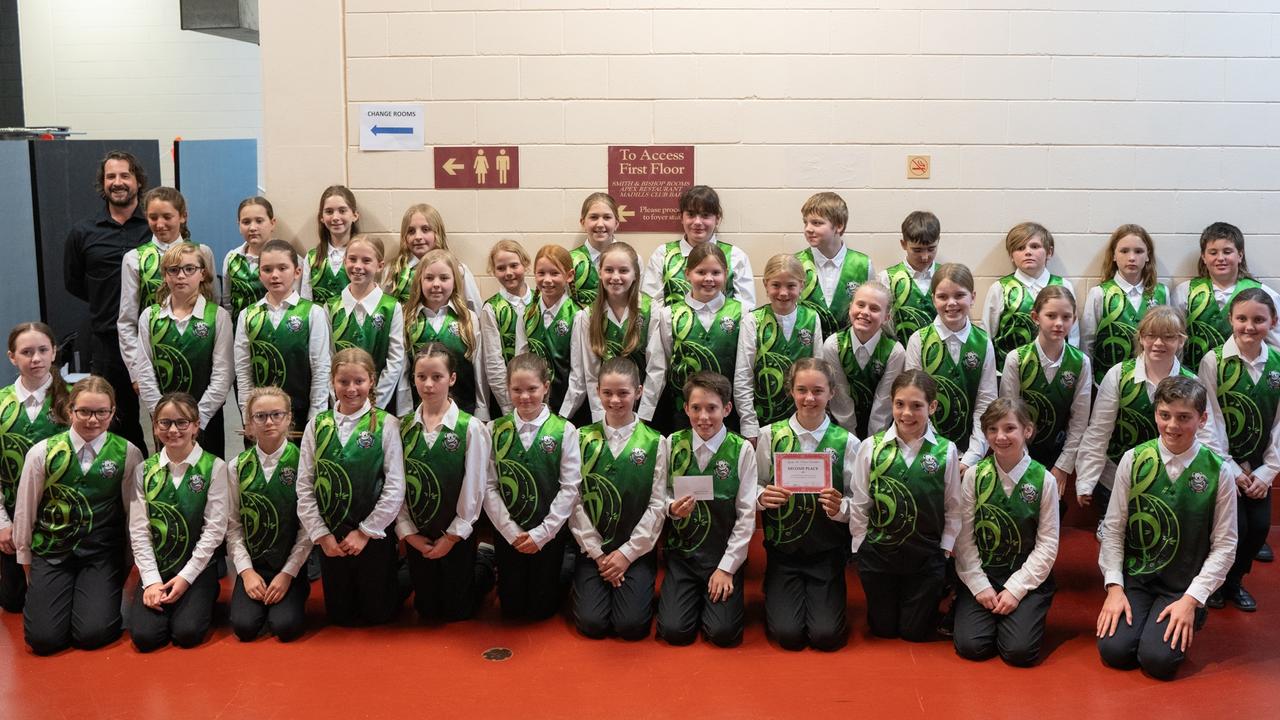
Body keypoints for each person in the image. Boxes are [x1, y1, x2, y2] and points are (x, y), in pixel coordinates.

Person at [1096, 376, 1237, 680]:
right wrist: (1114, 587)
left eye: (1184, 417)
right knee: (1115, 650)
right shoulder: (1133, 460)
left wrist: (1192, 599)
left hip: (1182, 584)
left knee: (1158, 661)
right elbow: (1114, 527)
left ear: (1202, 419)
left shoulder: (1219, 471)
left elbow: (1225, 546)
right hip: (1138, 577)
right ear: (1156, 413)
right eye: (1165, 415)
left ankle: (1194, 614)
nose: (1172, 425)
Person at [12, 376, 143, 655]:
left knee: (92, 634)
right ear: (70, 410)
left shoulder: (128, 454)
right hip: (51, 551)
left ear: (112, 412)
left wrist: (129, 559)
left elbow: (134, 514)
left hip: (101, 553)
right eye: (84, 411)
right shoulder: (43, 453)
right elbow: (25, 510)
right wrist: (26, 560)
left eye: (101, 412)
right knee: (43, 640)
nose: (92, 420)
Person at [848, 370, 961, 641]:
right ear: (892, 403)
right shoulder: (871, 447)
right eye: (900, 404)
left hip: (926, 556)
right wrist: (862, 545)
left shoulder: (946, 451)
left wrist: (945, 549)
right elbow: (861, 501)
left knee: (914, 632)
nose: (906, 413)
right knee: (883, 630)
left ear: (932, 407)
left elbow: (953, 505)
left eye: (917, 406)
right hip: (879, 555)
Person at [755, 358, 858, 651]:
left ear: (831, 393)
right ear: (790, 391)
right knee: (788, 636)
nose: (809, 398)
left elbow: (857, 498)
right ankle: (775, 587)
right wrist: (762, 497)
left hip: (826, 552)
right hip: (782, 552)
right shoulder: (769, 436)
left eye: (817, 390)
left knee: (826, 637)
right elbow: (754, 485)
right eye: (802, 390)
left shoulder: (848, 442)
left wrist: (841, 508)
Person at [297, 348, 405, 626]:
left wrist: (366, 532)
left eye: (359, 381)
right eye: (343, 382)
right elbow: (304, 486)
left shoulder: (387, 424)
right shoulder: (316, 425)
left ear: (371, 381)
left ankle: (404, 573)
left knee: (378, 616)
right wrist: (321, 535)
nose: (351, 389)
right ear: (332, 382)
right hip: (332, 538)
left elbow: (394, 486)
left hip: (372, 536)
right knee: (340, 617)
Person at [1076, 307, 1215, 521]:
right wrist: (1086, 479)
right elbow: (1098, 432)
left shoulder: (1192, 382)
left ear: (1181, 341)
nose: (1158, 343)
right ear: (1141, 338)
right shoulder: (1118, 375)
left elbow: (1205, 435)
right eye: (1151, 335)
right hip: (1116, 480)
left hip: (1171, 480)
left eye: (1168, 337)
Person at [953, 398, 1059, 666]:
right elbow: (964, 538)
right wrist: (979, 585)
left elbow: (1047, 544)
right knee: (971, 646)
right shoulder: (975, 476)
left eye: (1009, 428)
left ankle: (1021, 614)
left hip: (1025, 577)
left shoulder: (1044, 480)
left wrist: (1015, 589)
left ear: (1027, 431)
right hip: (984, 573)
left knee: (1019, 653)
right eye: (992, 429)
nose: (1000, 437)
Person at [656, 371, 756, 647]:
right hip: (683, 555)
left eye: (712, 408)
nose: (703, 417)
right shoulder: (671, 443)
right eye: (696, 408)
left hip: (722, 554)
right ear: (686, 408)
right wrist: (671, 508)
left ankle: (719, 588)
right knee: (675, 632)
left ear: (726, 408)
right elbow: (659, 495)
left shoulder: (742, 450)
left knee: (723, 634)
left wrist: (727, 568)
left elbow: (747, 515)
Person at [570, 357, 666, 640]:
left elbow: (657, 505)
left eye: (623, 393)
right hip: (593, 551)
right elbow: (574, 501)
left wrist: (626, 554)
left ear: (638, 391)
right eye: (607, 393)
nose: (615, 400)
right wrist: (599, 554)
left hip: (635, 552)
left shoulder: (656, 442)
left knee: (631, 626)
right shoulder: (580, 438)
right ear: (597, 391)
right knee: (591, 624)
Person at [397, 344, 494, 622]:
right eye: (421, 377)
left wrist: (452, 537)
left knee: (457, 611)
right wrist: (409, 534)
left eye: (437, 377)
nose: (428, 385)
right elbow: (397, 485)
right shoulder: (402, 427)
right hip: (418, 533)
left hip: (455, 533)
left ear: (451, 379)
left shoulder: (471, 427)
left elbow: (474, 488)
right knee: (427, 610)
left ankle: (485, 561)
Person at [63, 150, 152, 450]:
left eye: (125, 175)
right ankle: (124, 485)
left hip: (157, 338)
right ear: (103, 184)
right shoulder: (83, 232)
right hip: (108, 342)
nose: (118, 182)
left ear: (138, 181)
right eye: (110, 176)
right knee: (116, 419)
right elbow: (74, 282)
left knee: (169, 416)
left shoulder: (155, 228)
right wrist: (108, 303)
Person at [483, 353, 582, 620]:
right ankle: (486, 558)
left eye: (532, 389)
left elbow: (570, 488)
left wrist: (542, 534)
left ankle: (569, 563)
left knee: (541, 609)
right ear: (507, 389)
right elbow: (488, 486)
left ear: (546, 387)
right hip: (510, 533)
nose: (525, 397)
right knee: (512, 608)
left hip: (548, 532)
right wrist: (510, 530)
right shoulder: (494, 429)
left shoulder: (565, 430)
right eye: (517, 390)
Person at [1199, 288, 1280, 612]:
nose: (1249, 326)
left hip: (1260, 464)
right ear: (1230, 319)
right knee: (1233, 527)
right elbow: (1210, 420)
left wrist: (1267, 470)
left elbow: (1278, 423)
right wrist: (1230, 467)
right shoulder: (1213, 361)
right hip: (1223, 461)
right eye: (1242, 318)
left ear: (1272, 321)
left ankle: (1235, 582)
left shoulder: (1277, 363)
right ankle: (1216, 583)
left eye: (1259, 320)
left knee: (1258, 528)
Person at [127, 392, 228, 652]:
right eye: (165, 423)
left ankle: (205, 592)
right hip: (158, 567)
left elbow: (214, 531)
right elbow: (139, 530)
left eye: (182, 422)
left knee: (187, 633)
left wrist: (186, 578)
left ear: (196, 426)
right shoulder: (144, 470)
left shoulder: (214, 468)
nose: (173, 430)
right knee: (145, 637)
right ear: (155, 426)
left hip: (196, 567)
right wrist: (150, 580)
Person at [117, 187, 217, 426]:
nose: (160, 224)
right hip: (157, 363)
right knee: (168, 433)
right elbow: (127, 320)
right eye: (153, 217)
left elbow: (214, 307)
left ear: (183, 216)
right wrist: (137, 373)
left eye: (167, 217)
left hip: (200, 358)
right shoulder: (134, 259)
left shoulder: (202, 252)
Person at [225, 387, 311, 642]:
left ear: (288, 418)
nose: (269, 422)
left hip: (289, 565)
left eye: (276, 414)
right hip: (254, 566)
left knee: (285, 627)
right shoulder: (236, 467)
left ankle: (297, 588)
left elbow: (307, 529)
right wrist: (246, 572)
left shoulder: (303, 463)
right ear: (249, 423)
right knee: (244, 627)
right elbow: (233, 526)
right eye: (260, 416)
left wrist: (288, 574)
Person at [999, 286, 1091, 515]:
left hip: (1058, 451)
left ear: (1074, 319)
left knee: (1053, 513)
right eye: (1051, 316)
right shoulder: (1016, 359)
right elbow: (1008, 415)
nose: (1059, 323)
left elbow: (1079, 421)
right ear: (1035, 317)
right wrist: (1022, 463)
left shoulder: (1081, 362)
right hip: (1019, 450)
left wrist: (1063, 466)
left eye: (1066, 317)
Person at [136, 242, 234, 457]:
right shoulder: (150, 317)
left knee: (209, 477)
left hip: (207, 419)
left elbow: (223, 375)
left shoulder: (217, 316)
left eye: (189, 269)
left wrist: (199, 420)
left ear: (202, 274)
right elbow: (144, 372)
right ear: (165, 275)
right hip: (165, 424)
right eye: (174, 269)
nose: (181, 276)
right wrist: (162, 416)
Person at [0, 323, 70, 614]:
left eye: (43, 350)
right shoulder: (1, 403)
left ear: (54, 352)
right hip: (13, 520)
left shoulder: (73, 401)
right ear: (12, 357)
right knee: (13, 602)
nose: (36, 359)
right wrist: (3, 523)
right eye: (26, 352)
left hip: (62, 519)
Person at [640, 243, 745, 434]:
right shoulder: (669, 314)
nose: (708, 279)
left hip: (727, 414)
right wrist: (645, 415)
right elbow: (658, 367)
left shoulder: (741, 313)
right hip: (683, 413)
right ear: (688, 273)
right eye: (701, 272)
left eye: (715, 272)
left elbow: (744, 372)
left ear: (726, 273)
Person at [904, 263, 997, 471]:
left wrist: (971, 457)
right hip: (926, 450)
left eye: (959, 295)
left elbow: (985, 402)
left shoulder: (984, 343)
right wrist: (937, 450)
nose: (951, 303)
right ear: (933, 298)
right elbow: (914, 401)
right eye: (943, 296)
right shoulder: (918, 340)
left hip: (970, 455)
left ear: (973, 297)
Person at [233, 239, 331, 434]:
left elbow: (320, 368)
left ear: (297, 272)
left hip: (301, 413)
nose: (275, 275)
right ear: (259, 274)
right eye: (267, 269)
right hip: (261, 416)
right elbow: (243, 371)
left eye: (282, 268)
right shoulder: (248, 315)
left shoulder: (313, 313)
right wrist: (248, 415)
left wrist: (316, 416)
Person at [735, 254, 824, 442]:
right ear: (766, 284)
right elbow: (743, 377)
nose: (783, 293)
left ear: (801, 285)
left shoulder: (812, 317)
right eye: (776, 285)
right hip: (762, 419)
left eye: (791, 286)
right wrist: (749, 425)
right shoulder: (752, 321)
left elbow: (820, 371)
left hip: (804, 418)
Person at [563, 242, 651, 424]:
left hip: (644, 411)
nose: (615, 277)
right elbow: (589, 373)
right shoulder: (587, 316)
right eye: (609, 270)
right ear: (600, 273)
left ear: (635, 274)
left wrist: (642, 417)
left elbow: (656, 370)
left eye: (624, 271)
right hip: (604, 410)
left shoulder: (653, 312)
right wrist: (601, 418)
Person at [1174, 221, 1280, 369]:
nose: (1220, 258)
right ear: (1203, 257)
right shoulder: (1184, 292)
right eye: (1213, 252)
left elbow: (1275, 345)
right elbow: (1174, 341)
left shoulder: (1264, 294)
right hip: (1194, 381)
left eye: (1227, 251)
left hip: (1247, 379)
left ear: (1240, 255)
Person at [397, 249, 486, 418]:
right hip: (419, 412)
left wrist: (482, 410)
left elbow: (479, 370)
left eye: (444, 278)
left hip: (464, 411)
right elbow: (403, 371)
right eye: (429, 278)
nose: (436, 284)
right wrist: (404, 412)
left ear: (455, 281)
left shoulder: (468, 319)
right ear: (419, 281)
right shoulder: (407, 319)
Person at [982, 222, 1078, 372]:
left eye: (1034, 246)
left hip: (1056, 372)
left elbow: (1073, 335)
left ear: (1049, 252)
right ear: (1011, 256)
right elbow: (987, 334)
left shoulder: (1063, 286)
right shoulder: (1000, 288)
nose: (1027, 252)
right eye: (1020, 248)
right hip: (1009, 373)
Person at [641, 185, 755, 310]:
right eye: (691, 214)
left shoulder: (735, 256)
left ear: (717, 219)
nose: (697, 222)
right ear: (681, 217)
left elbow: (746, 308)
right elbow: (651, 306)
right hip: (672, 328)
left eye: (705, 215)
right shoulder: (663, 254)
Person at [325, 235, 405, 412]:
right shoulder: (331, 307)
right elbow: (327, 358)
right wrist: (338, 399)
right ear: (345, 261)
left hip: (379, 406)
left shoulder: (391, 308)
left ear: (380, 265)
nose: (358, 266)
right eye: (352, 259)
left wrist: (375, 403)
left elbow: (395, 360)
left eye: (366, 260)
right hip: (341, 403)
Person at [1080, 224, 1168, 385]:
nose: (1132, 257)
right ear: (1113, 255)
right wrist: (1089, 381)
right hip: (1106, 383)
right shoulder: (1099, 293)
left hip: (1153, 381)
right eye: (1124, 251)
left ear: (1148, 255)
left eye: (1139, 251)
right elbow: (1087, 343)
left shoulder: (1162, 293)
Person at [820, 282, 904, 439]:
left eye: (874, 308)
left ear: (886, 317)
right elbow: (840, 397)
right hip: (842, 429)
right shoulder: (833, 345)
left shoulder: (895, 351)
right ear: (851, 307)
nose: (865, 312)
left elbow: (883, 403)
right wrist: (850, 441)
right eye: (860, 305)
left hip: (882, 431)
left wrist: (872, 445)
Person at [514, 245, 582, 419]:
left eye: (555, 273)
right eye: (541, 273)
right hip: (532, 408)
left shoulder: (578, 316)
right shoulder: (526, 314)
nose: (547, 280)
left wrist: (563, 416)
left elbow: (579, 373)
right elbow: (520, 363)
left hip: (569, 411)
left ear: (569, 275)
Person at [795, 192, 873, 336]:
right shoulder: (796, 264)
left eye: (817, 223)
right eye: (805, 222)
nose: (808, 229)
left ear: (839, 226)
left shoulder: (863, 264)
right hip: (807, 352)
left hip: (848, 351)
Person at [384, 204, 483, 310]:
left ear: (438, 233)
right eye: (411, 231)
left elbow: (475, 310)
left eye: (425, 229)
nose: (418, 237)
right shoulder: (394, 271)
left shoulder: (458, 270)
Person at [480, 239, 533, 416]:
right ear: (493, 271)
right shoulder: (491, 308)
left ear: (525, 264)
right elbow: (493, 361)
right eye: (501, 268)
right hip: (508, 401)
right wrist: (508, 405)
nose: (508, 273)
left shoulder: (540, 301)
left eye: (514, 266)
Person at [879, 211, 940, 343]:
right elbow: (883, 325)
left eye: (931, 249)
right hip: (902, 357)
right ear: (903, 244)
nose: (925, 257)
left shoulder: (946, 275)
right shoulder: (887, 278)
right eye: (917, 250)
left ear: (938, 241)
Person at [221, 196, 277, 326]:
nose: (252, 227)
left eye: (259, 221)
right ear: (239, 225)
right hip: (239, 332)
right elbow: (227, 302)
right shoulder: (231, 258)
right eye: (246, 222)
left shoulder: (288, 258)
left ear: (272, 223)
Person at [301, 185, 360, 305]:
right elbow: (306, 301)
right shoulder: (312, 258)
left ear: (354, 215)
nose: (335, 217)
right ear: (321, 218)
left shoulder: (364, 256)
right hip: (319, 323)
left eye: (342, 211)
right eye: (329, 212)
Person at [569, 193, 619, 307]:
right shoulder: (570, 260)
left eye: (607, 217)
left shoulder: (632, 259)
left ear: (616, 223)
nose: (600, 224)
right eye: (594, 217)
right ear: (583, 223)